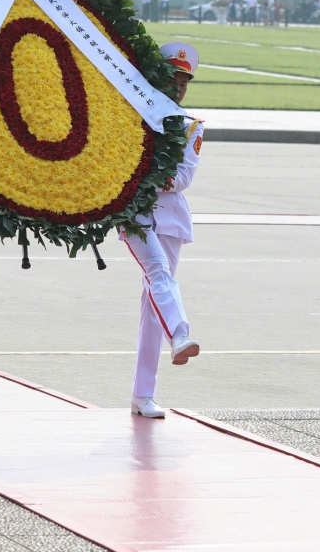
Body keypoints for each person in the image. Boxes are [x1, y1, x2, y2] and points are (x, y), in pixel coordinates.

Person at [121, 42, 203, 419]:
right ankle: (181, 334)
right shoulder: (134, 114)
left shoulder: (190, 127)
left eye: (184, 81)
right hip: (134, 212)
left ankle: (143, 394)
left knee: (153, 303)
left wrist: (147, 176)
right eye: (173, 78)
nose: (179, 86)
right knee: (158, 273)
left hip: (168, 218)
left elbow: (183, 176)